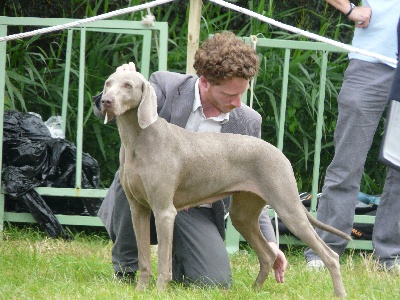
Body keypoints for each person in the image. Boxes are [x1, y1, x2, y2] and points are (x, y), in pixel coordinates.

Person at [94, 31, 287, 287]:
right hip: (148, 192)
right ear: (205, 82)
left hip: (198, 208)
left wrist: (270, 242)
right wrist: (115, 90)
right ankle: (127, 268)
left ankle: (178, 257)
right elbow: (103, 110)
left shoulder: (247, 121)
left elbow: (253, 184)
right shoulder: (164, 86)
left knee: (214, 283)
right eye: (230, 96)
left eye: (242, 94)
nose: (238, 103)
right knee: (133, 170)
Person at [304, 0, 400, 274]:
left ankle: (391, 257)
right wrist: (349, 9)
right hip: (369, 63)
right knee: (346, 164)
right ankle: (324, 251)